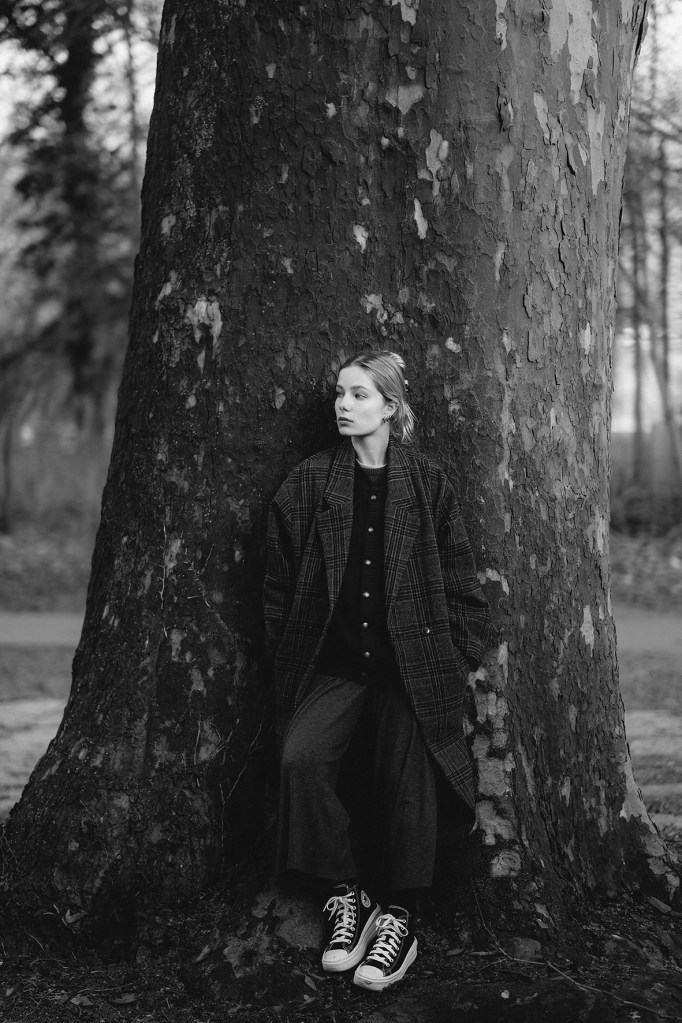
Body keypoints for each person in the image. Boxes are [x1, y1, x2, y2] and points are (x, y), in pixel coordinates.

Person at [263, 350, 490, 991]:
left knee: (412, 778)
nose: (344, 405)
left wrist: (449, 663)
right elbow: (277, 585)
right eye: (340, 393)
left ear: (391, 407)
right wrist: (290, 654)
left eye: (359, 395)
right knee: (301, 759)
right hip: (333, 668)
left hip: (410, 672)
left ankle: (401, 917)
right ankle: (346, 894)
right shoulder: (309, 483)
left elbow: (465, 589)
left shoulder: (427, 485)